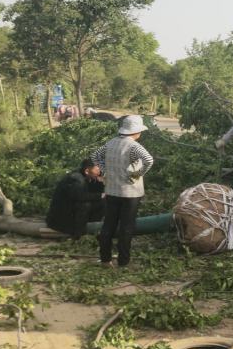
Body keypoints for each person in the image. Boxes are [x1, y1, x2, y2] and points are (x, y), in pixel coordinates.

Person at [91, 114, 154, 267]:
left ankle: (105, 259)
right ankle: (123, 262)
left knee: (108, 225)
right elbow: (149, 160)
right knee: (126, 228)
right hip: (130, 193)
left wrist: (105, 172)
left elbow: (95, 156)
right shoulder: (134, 146)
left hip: (112, 191)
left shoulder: (111, 143)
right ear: (136, 131)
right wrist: (136, 174)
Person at [45, 159, 104, 238]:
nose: (99, 172)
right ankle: (78, 235)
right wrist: (100, 195)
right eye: (97, 170)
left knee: (102, 202)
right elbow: (81, 197)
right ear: (87, 171)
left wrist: (100, 183)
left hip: (69, 213)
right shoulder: (77, 180)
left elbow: (90, 193)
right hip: (60, 221)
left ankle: (89, 228)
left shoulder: (84, 176)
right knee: (85, 205)